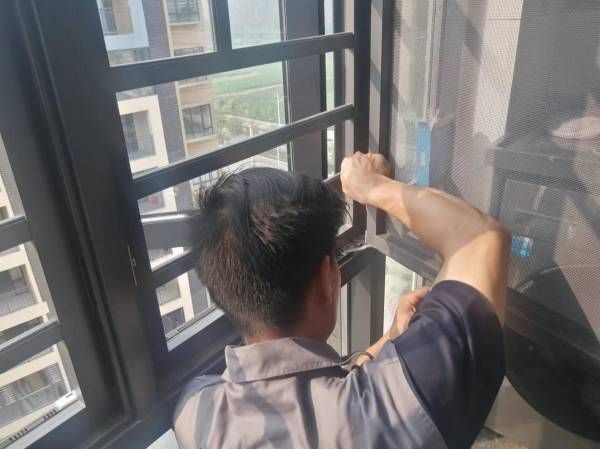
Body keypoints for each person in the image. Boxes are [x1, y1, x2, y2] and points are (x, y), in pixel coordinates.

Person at [173, 152, 509, 449]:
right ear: (326, 278)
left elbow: (303, 394)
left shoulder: (194, 410)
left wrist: (391, 339)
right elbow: (480, 238)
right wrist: (371, 186)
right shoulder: (394, 414)